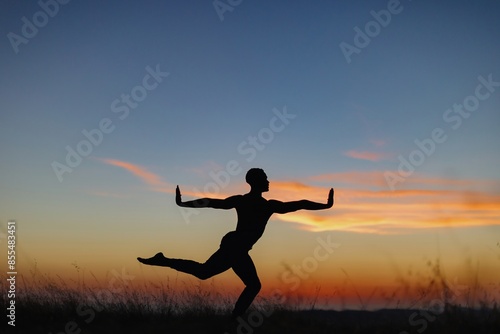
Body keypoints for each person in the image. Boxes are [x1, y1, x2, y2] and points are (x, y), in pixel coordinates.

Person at [138, 168, 334, 319]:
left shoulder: (262, 204)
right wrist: (184, 204)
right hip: (236, 246)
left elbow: (299, 204)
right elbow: (211, 202)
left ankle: (163, 260)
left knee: (205, 272)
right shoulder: (262, 205)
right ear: (255, 182)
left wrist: (325, 205)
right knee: (251, 285)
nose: (268, 181)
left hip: (236, 246)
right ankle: (235, 319)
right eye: (265, 179)